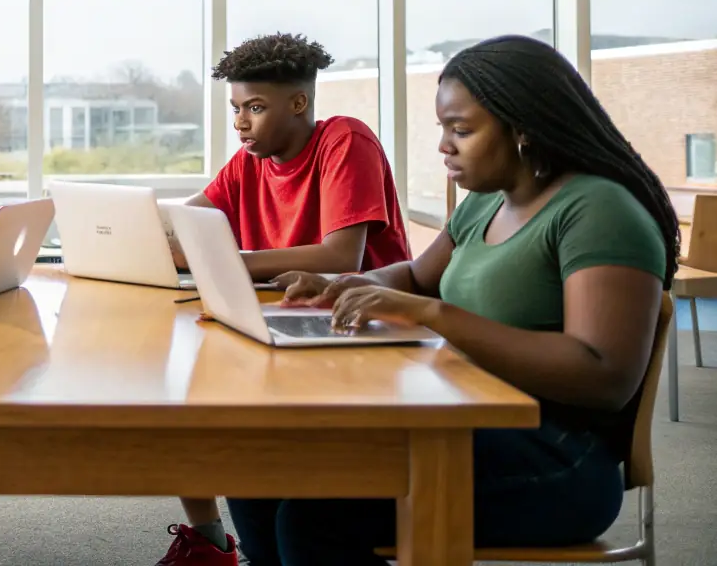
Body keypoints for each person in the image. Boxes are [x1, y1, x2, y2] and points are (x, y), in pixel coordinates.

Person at [226, 34, 676, 566]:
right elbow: (416, 277)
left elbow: (603, 376)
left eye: (460, 130)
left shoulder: (599, 212)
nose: (444, 145)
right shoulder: (485, 201)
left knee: (312, 519)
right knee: (260, 464)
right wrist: (344, 284)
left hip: (558, 455)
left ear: (524, 129)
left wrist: (436, 315)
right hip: (459, 412)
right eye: (443, 128)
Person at [158, 33, 412, 566]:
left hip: (362, 334)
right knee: (204, 404)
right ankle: (232, 545)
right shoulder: (249, 162)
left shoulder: (345, 140)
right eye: (235, 108)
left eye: (254, 107)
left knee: (248, 440)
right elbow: (183, 220)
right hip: (282, 325)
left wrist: (223, 259)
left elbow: (341, 256)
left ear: (299, 103)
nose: (241, 123)